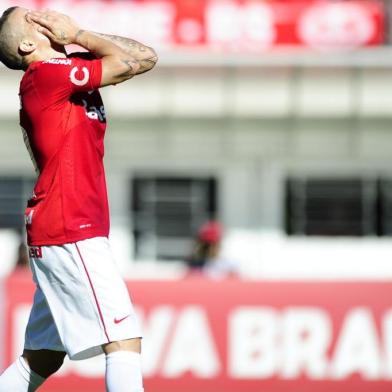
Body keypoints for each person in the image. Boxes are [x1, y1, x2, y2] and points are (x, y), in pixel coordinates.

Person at [0, 6, 157, 392]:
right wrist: (80, 34)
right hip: (70, 226)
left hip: (65, 226)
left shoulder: (63, 70)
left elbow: (146, 57)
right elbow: (123, 62)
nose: (47, 15)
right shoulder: (48, 74)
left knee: (43, 358)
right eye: (34, 18)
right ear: (26, 43)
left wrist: (77, 36)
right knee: (123, 340)